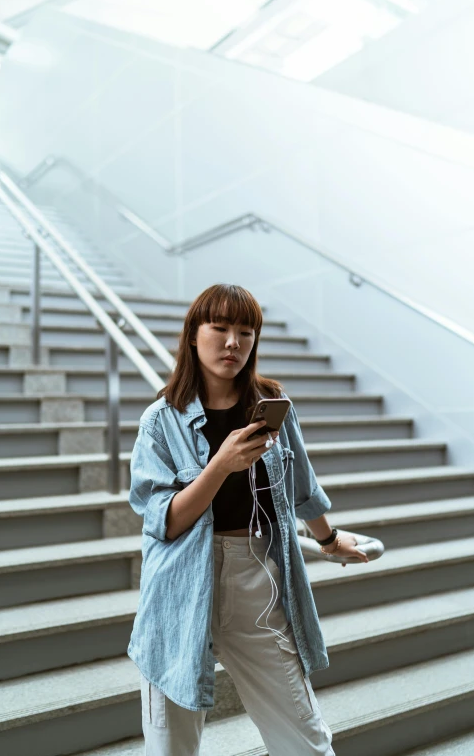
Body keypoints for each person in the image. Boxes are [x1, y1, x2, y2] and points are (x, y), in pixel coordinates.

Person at [128, 283, 368, 755]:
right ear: (193, 336)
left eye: (245, 331)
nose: (232, 343)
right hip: (177, 586)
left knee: (306, 739)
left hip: (254, 574)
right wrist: (221, 464)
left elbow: (302, 486)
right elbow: (166, 522)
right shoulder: (160, 421)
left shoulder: (273, 405)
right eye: (219, 328)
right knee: (170, 745)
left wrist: (329, 537)